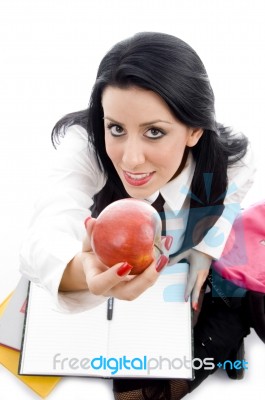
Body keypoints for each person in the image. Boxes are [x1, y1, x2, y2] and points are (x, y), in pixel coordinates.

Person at [19, 32, 255, 399]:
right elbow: (45, 229)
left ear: (194, 130)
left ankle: (228, 328)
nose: (130, 159)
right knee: (135, 393)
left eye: (155, 132)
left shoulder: (226, 154)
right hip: (126, 290)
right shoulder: (84, 143)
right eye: (116, 128)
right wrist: (86, 273)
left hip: (189, 278)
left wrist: (206, 246)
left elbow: (242, 174)